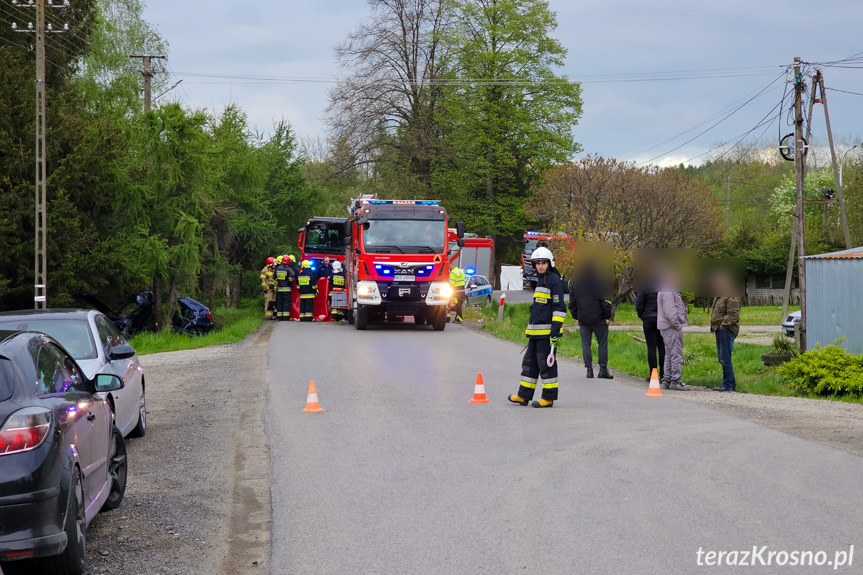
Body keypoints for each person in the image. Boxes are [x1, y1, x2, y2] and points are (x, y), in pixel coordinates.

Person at [508, 247, 566, 408]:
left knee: (546, 366)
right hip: (535, 333)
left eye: (543, 263)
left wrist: (555, 331)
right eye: (538, 263)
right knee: (529, 364)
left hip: (547, 334)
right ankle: (523, 395)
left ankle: (548, 398)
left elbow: (559, 308)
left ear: (550, 263)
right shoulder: (541, 279)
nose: (540, 266)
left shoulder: (554, 281)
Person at [569, 265, 613, 379]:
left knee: (585, 344)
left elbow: (572, 303)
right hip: (599, 319)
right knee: (602, 344)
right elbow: (606, 301)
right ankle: (603, 369)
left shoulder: (575, 283)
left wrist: (576, 316)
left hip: (583, 318)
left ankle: (589, 370)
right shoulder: (601, 282)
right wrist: (607, 316)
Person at [710, 273, 741, 392]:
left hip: (726, 330)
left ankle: (728, 384)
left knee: (725, 358)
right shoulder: (719, 296)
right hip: (719, 330)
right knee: (722, 358)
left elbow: (734, 315)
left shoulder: (731, 295)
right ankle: (728, 383)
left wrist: (722, 325)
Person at [657, 286, 691, 391]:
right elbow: (670, 311)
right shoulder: (668, 291)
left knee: (669, 353)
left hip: (667, 326)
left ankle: (667, 380)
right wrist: (676, 325)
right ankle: (675, 380)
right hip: (671, 327)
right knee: (676, 354)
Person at [635, 287, 665, 382]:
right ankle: (663, 374)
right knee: (662, 348)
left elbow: (639, 303)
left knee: (651, 348)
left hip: (649, 319)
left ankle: (653, 374)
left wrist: (643, 316)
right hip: (662, 320)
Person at [273, 256, 296, 321]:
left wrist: (279, 281)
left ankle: (279, 317)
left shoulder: (277, 269)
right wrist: (288, 281)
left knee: (279, 303)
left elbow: (274, 277)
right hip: (286, 288)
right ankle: (286, 317)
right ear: (288, 261)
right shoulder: (288, 269)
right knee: (286, 303)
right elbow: (293, 275)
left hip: (279, 288)